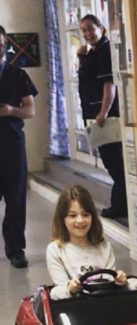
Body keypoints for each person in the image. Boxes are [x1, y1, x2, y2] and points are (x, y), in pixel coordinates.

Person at [46, 185, 137, 300]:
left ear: (92, 217)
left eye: (85, 215)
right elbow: (57, 293)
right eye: (72, 216)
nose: (80, 221)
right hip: (74, 306)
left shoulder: (104, 246)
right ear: (62, 219)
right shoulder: (55, 250)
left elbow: (109, 284)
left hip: (103, 304)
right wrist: (70, 289)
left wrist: (120, 282)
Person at [77, 14, 127, 219]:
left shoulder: (105, 51)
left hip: (103, 117)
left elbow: (109, 84)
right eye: (84, 30)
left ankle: (120, 205)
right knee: (111, 161)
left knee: (114, 162)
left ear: (101, 28)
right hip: (94, 114)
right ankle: (120, 204)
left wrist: (103, 112)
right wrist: (81, 58)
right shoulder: (93, 53)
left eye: (91, 28)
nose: (88, 33)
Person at [0, 25, 37, 268]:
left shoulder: (18, 74)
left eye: (0, 45)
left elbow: (30, 110)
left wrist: (12, 111)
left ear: (5, 47)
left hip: (11, 146)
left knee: (15, 200)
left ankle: (16, 249)